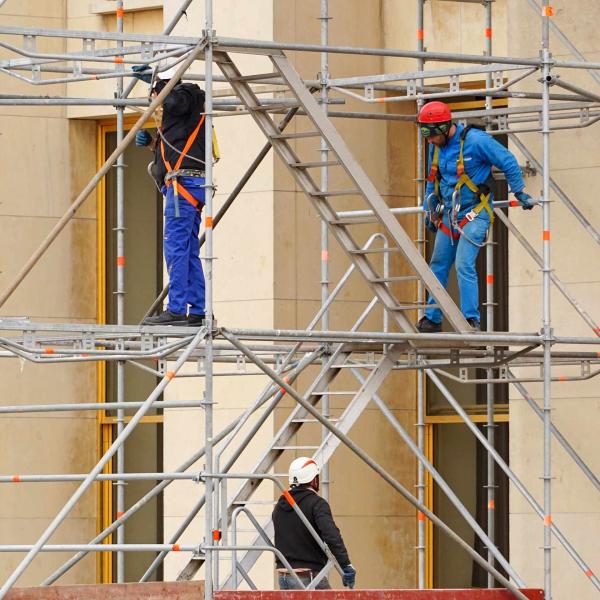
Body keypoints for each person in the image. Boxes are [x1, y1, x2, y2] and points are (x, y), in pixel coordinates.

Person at [416, 101, 536, 333]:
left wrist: (519, 191)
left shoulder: (477, 141)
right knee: (438, 264)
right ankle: (432, 318)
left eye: (432, 135)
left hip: (474, 213)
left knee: (463, 263)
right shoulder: (435, 145)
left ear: (444, 127)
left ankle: (470, 320)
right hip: (449, 214)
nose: (429, 140)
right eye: (425, 134)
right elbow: (433, 178)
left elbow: (508, 160)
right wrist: (428, 207)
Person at [133, 64, 208, 326]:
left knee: (176, 249)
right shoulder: (184, 112)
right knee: (187, 252)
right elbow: (176, 149)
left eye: (156, 90)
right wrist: (153, 145)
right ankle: (197, 310)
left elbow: (176, 100)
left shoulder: (185, 93)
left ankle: (176, 308)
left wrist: (159, 84)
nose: (154, 98)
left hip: (182, 187)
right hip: (189, 185)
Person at [272, 457, 356, 590]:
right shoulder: (317, 503)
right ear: (314, 479)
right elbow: (331, 536)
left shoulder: (280, 505)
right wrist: (345, 564)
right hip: (309, 577)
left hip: (284, 576)